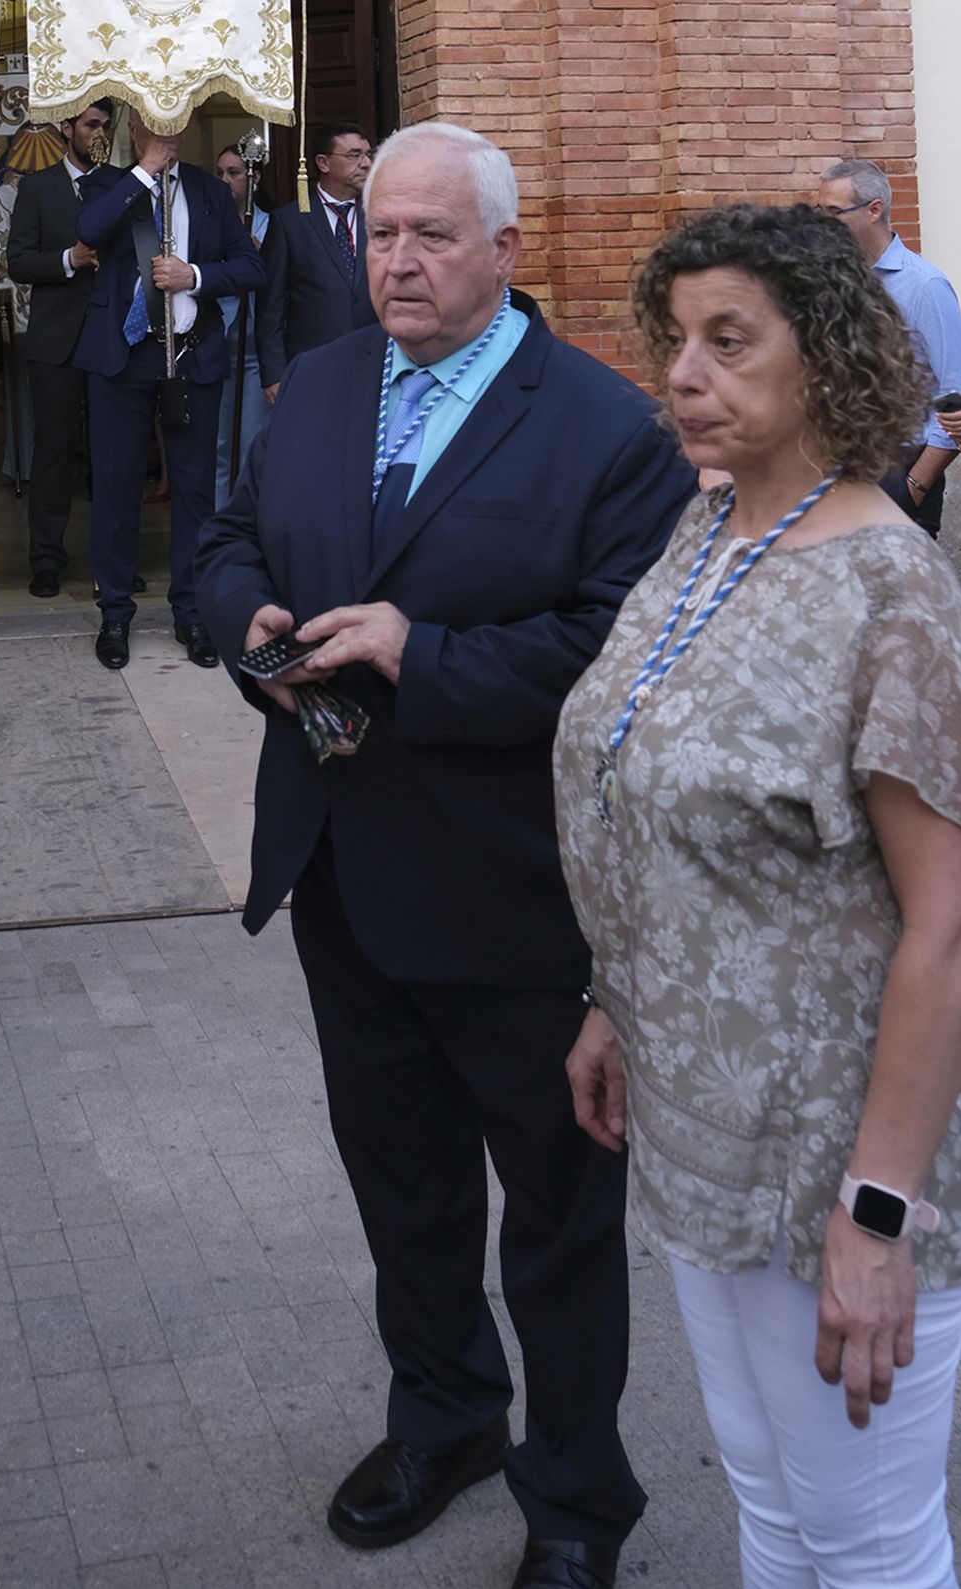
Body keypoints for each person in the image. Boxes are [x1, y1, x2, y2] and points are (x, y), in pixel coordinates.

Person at [195, 122, 692, 1586]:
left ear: (505, 251)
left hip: (517, 898)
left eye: (427, 235)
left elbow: (626, 650)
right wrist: (249, 631)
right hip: (342, 871)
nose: (393, 258)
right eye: (378, 232)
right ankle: (446, 1415)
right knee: (402, 1182)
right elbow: (229, 541)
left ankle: (579, 1500)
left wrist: (428, 654)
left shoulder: (606, 429)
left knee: (555, 1220)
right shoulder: (324, 380)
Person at [555, 200, 961, 1589]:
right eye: (676, 341)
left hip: (830, 1157)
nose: (683, 374)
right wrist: (616, 998)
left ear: (828, 361)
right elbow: (650, 790)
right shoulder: (708, 526)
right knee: (774, 1511)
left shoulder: (888, 585)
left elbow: (947, 927)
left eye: (730, 342)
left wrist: (878, 1211)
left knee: (869, 1544)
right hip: (700, 1125)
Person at [75, 112, 263, 671]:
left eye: (176, 121)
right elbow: (89, 230)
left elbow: (250, 266)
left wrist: (195, 277)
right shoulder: (106, 184)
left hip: (191, 352)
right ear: (136, 129)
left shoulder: (209, 190)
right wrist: (145, 172)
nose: (168, 132)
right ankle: (114, 612)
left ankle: (193, 611)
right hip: (122, 356)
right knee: (115, 485)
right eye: (156, 123)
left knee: (194, 489)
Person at [816, 157, 961, 536]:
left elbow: (955, 397)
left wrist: (914, 487)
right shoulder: (836, 281)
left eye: (833, 212)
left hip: (901, 467)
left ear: (873, 210)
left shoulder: (925, 286)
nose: (823, 223)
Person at [6, 100, 112, 597]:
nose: (97, 134)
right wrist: (69, 259)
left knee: (114, 454)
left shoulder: (120, 185)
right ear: (66, 128)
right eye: (90, 125)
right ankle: (46, 560)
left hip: (113, 336)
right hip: (56, 342)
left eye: (105, 127)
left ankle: (112, 561)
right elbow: (19, 262)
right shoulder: (38, 186)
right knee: (53, 454)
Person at [256, 118, 376, 397]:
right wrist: (273, 374)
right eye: (354, 155)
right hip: (313, 364)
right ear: (323, 163)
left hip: (375, 359)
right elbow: (270, 307)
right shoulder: (289, 222)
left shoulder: (380, 215)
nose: (367, 163)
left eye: (368, 154)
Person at [213, 141, 270, 505]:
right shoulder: (205, 226)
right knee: (217, 444)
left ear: (254, 178)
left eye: (234, 173)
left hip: (254, 349)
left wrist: (262, 257)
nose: (225, 181)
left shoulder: (272, 225)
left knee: (251, 441)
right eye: (219, 173)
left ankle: (250, 525)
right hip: (215, 343)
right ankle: (218, 524)